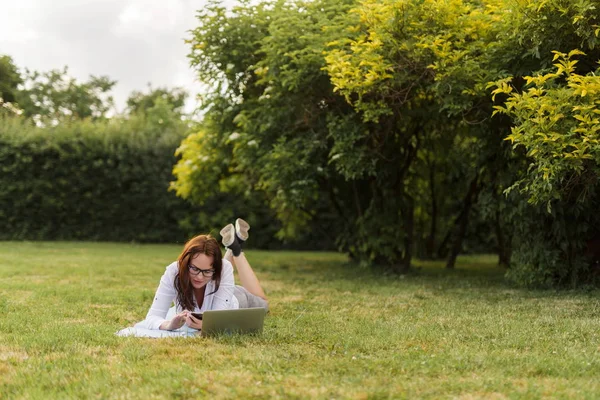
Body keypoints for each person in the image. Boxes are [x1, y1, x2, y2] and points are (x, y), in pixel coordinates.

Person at [118, 218, 268, 336]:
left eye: (207, 271)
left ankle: (236, 248)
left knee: (264, 304)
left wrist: (205, 326)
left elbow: (218, 318)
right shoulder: (173, 271)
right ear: (185, 263)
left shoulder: (223, 269)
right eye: (194, 269)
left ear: (214, 270)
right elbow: (152, 317)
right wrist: (169, 325)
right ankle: (234, 245)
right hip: (219, 283)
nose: (199, 277)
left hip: (236, 297)